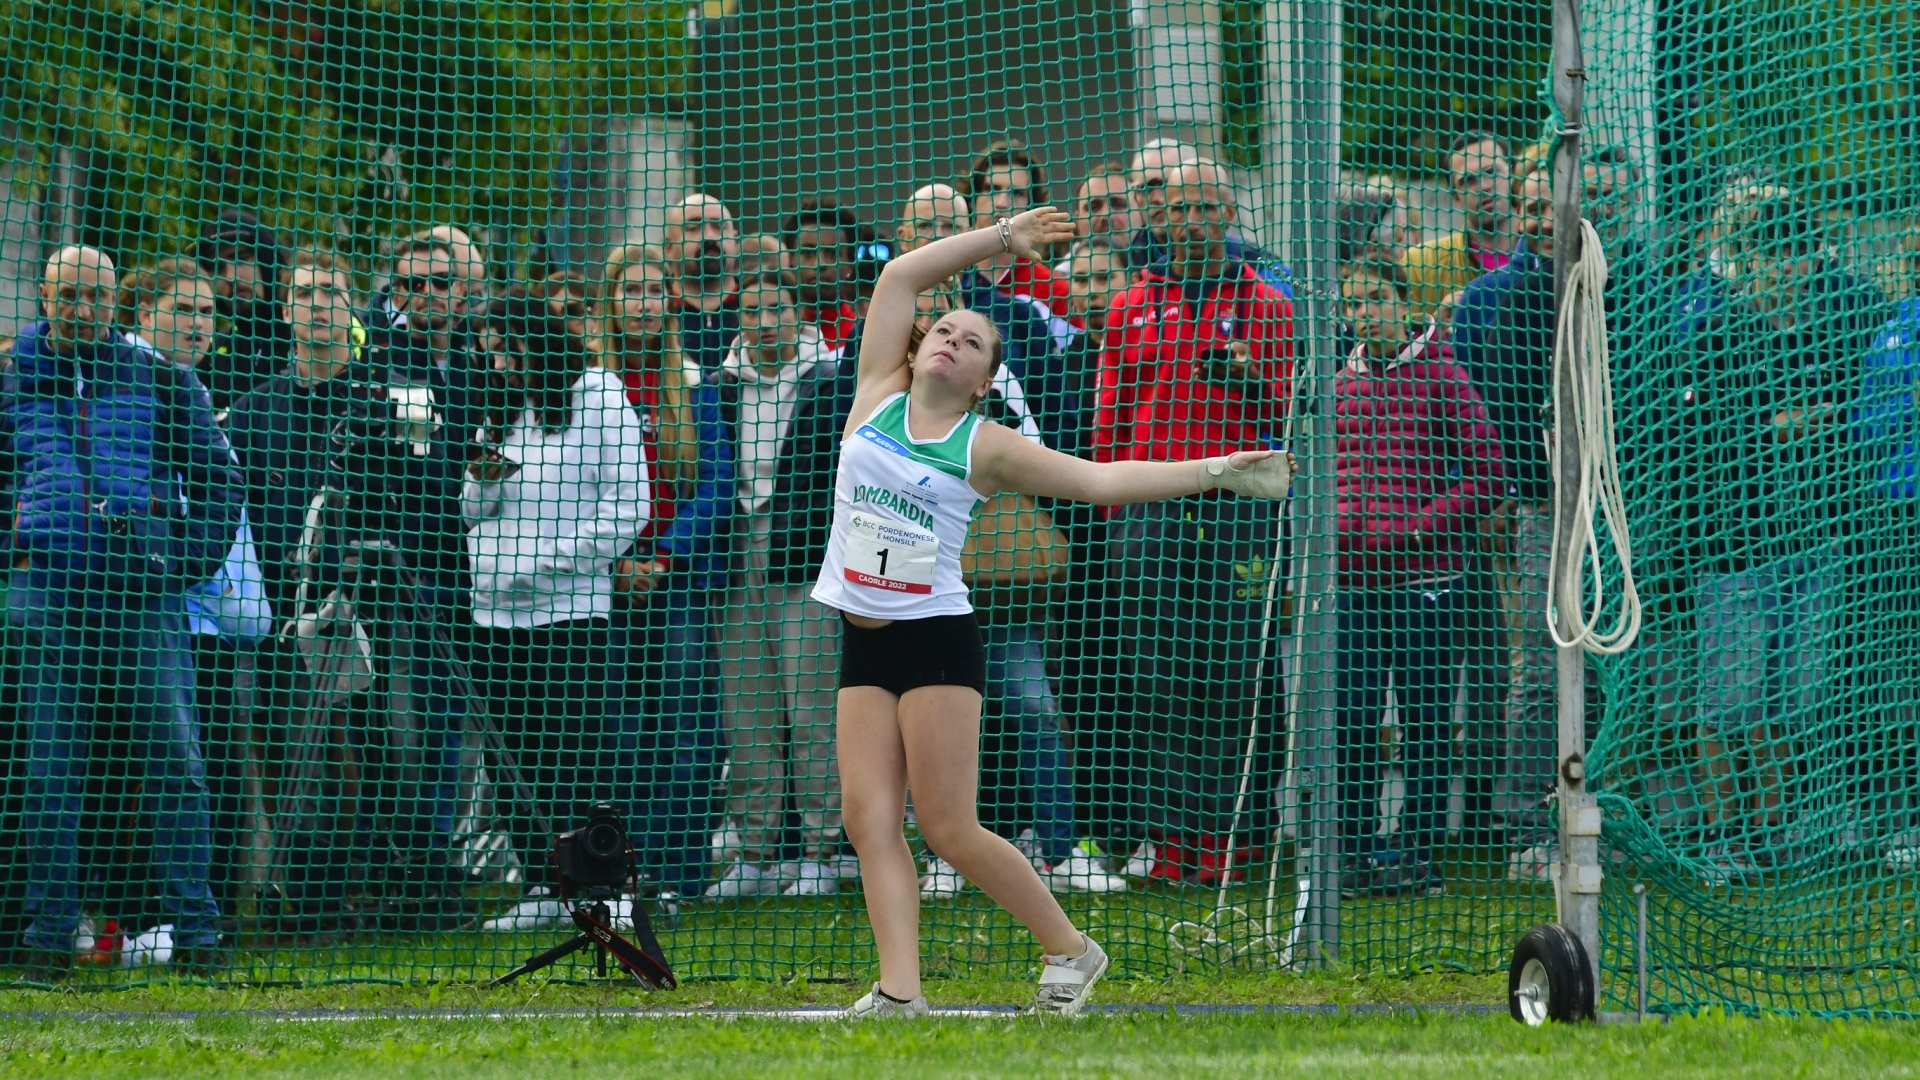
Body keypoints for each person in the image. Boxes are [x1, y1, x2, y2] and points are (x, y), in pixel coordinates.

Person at [819, 205, 1293, 1018]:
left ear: (982, 380)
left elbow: (1104, 481)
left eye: (971, 343)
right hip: (861, 641)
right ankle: (900, 992)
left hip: (935, 639)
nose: (949, 341)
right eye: (942, 331)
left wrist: (1213, 467)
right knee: (868, 820)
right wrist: (1003, 239)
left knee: (949, 829)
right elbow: (901, 276)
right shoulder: (876, 396)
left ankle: (1071, 948)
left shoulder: (985, 446)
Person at [5, 246, 244, 981]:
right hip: (46, 599)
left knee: (176, 759)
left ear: (116, 303)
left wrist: (182, 561)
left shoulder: (163, 381)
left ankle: (196, 932)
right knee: (48, 771)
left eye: (96, 298)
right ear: (45, 297)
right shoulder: (13, 382)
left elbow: (217, 478)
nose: (82, 310)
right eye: (69, 295)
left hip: (142, 598)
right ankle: (49, 935)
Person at [225, 249, 474, 930]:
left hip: (388, 606)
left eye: (331, 292)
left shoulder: (395, 398)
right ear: (285, 310)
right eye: (303, 293)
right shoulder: (253, 412)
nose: (317, 304)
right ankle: (308, 898)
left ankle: (415, 891)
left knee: (398, 745)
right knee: (296, 755)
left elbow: (436, 500)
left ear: (351, 305)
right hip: (292, 614)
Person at [1655, 196, 1885, 879]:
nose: (1784, 271)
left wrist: (1808, 425)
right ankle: (1723, 832)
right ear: (1746, 262)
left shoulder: (1829, 331)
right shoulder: (1717, 333)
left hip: (1812, 544)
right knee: (1729, 701)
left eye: (1795, 256)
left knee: (1792, 700)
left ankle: (1773, 826)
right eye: (1769, 257)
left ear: (1812, 261)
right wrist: (1783, 425)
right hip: (1733, 551)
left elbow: (1848, 421)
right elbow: (1710, 438)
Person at [1091, 160, 1295, 883]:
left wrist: (1247, 377)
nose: (1195, 221)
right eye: (1180, 208)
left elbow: (1287, 419)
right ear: (1159, 216)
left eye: (1210, 207)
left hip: (1240, 510)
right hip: (1150, 509)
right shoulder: (1128, 306)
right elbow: (1108, 417)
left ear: (1231, 212)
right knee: (1157, 675)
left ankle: (1236, 835)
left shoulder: (1267, 304)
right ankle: (1173, 840)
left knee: (1239, 673)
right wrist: (1114, 507)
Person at [462, 292, 650, 902]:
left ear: (536, 340)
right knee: (514, 757)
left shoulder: (598, 395)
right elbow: (470, 513)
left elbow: (629, 509)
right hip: (492, 614)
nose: (498, 366)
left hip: (571, 612)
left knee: (578, 752)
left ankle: (599, 888)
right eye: (488, 354)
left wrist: (539, 565)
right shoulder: (496, 405)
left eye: (508, 350)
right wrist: (480, 483)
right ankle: (544, 888)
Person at [1332, 257, 1504, 897]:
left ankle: (1417, 853)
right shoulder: (1335, 382)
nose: (1363, 312)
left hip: (1424, 587)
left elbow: (1490, 474)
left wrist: (1418, 526)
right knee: (1350, 721)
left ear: (1404, 302)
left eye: (1375, 298)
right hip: (1350, 588)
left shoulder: (1442, 374)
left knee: (1426, 722)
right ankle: (1350, 852)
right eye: (1352, 302)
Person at [119, 257, 269, 920]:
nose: (200, 324)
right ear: (142, 312)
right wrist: (176, 567)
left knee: (206, 765)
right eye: (184, 309)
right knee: (156, 763)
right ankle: (151, 914)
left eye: (208, 311)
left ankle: (199, 912)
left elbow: (218, 496)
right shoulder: (134, 377)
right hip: (157, 610)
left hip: (205, 614)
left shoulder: (187, 383)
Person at [599, 245, 735, 900]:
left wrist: (663, 555)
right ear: (613, 303)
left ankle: (682, 871)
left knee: (687, 726)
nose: (646, 304)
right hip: (605, 583)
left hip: (675, 579)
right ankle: (630, 865)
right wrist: (617, 560)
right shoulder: (591, 385)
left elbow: (716, 485)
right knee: (622, 732)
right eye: (633, 292)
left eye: (657, 291)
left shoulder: (694, 381)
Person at [708, 269, 847, 898]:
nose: (766, 323)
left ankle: (823, 847)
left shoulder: (834, 380)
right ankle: (757, 854)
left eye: (778, 310)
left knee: (812, 704)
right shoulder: (716, 386)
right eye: (753, 311)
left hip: (808, 556)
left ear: (798, 313)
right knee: (748, 712)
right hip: (735, 556)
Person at [1402, 131, 1515, 323]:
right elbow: (1395, 340)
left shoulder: (1548, 252)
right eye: (1468, 180)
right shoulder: (1420, 265)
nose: (1483, 186)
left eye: (1491, 172)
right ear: (1455, 197)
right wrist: (1435, 327)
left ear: (1514, 175)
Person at [962, 137, 1074, 324]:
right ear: (972, 200)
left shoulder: (1055, 290)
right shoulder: (948, 276)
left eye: (1016, 193)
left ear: (1031, 207)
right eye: (992, 189)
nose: (1002, 203)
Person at [195, 209, 295, 412]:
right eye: (218, 268)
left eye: (240, 258)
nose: (231, 276)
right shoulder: (212, 354)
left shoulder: (317, 332)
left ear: (266, 260)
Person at [665, 193, 742, 374]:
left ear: (735, 240)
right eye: (693, 228)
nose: (709, 236)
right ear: (669, 248)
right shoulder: (656, 312)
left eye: (719, 227)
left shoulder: (761, 306)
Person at [784, 196, 861, 350]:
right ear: (790, 260)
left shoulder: (863, 335)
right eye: (808, 253)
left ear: (850, 264)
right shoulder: (772, 334)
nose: (820, 264)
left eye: (832, 253)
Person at [1057, 160, 1137, 272]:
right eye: (1093, 207)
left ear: (1141, 211)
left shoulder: (1162, 271)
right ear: (1077, 220)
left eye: (1118, 204)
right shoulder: (1057, 283)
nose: (1106, 215)